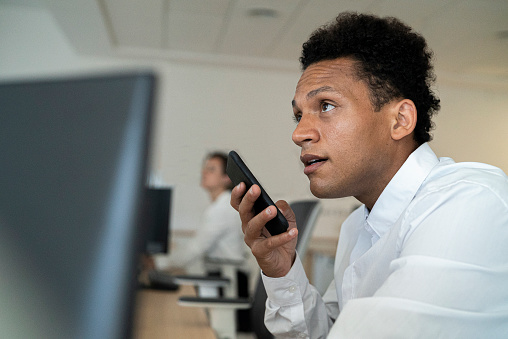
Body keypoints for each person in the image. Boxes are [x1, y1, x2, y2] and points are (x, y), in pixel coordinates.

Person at [231, 12, 508, 338]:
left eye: (326, 106)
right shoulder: (357, 226)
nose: (300, 134)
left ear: (400, 120)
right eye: (298, 115)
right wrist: (283, 271)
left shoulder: (469, 200)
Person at [150, 152, 247, 272]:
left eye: (211, 169)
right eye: (204, 168)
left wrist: (157, 263)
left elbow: (195, 249)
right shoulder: (222, 205)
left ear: (226, 178)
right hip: (222, 274)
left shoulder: (221, 209)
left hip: (227, 282)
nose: (203, 173)